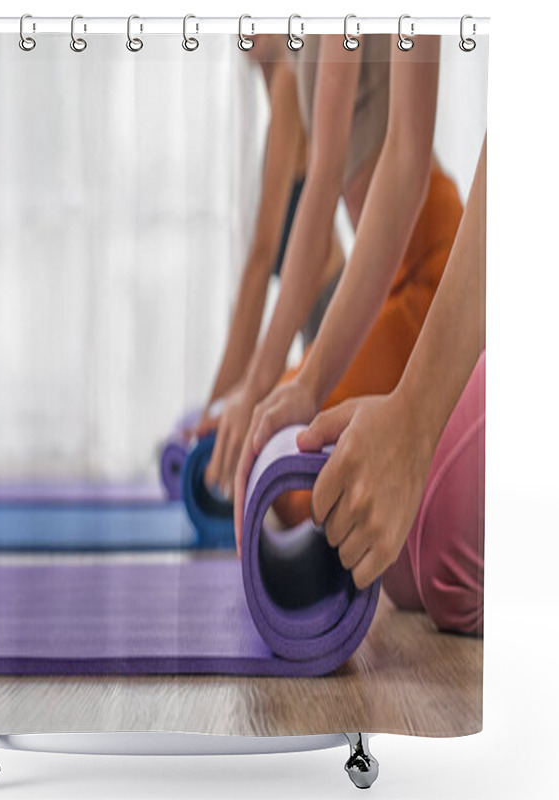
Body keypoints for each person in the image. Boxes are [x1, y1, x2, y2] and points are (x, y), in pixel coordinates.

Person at [234, 136, 488, 636]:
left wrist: (415, 419)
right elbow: (400, 153)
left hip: (435, 273)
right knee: (391, 556)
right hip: (390, 274)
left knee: (441, 555)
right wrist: (303, 385)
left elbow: (301, 210)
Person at [200, 34, 463, 506]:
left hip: (430, 268)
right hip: (383, 279)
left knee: (294, 480)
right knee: (264, 442)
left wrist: (267, 381)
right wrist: (253, 388)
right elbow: (324, 183)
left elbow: (328, 183)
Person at [198, 35, 343, 426]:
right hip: (316, 312)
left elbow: (261, 262)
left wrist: (216, 407)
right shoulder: (280, 93)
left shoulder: (288, 86)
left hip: (333, 307)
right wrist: (222, 403)